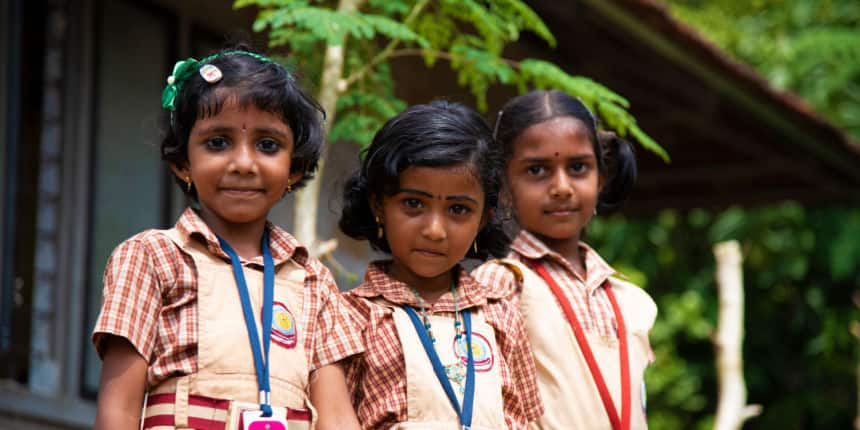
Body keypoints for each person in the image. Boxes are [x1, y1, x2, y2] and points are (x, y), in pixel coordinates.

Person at [92, 47, 362, 430]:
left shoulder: (314, 282)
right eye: (217, 142)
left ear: (294, 168)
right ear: (183, 163)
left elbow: (336, 416)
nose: (244, 164)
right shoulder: (151, 257)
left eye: (268, 145)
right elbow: (118, 410)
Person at [337, 101, 544, 429]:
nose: (434, 230)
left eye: (458, 209)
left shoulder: (501, 316)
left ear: (483, 220)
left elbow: (524, 421)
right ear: (379, 205)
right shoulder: (348, 318)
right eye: (413, 204)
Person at [472, 90, 658, 430]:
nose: (561, 187)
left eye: (577, 167)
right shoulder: (502, 284)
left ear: (601, 177)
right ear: (503, 187)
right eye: (537, 170)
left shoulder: (627, 297)